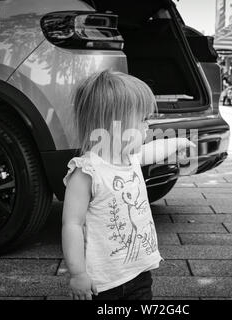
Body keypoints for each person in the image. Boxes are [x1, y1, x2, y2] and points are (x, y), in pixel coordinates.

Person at [61, 70, 195, 300]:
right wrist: (78, 273)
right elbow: (72, 224)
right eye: (142, 120)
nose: (147, 125)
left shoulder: (128, 157)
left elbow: (152, 151)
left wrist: (177, 142)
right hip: (104, 283)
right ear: (114, 125)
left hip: (139, 271)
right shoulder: (87, 172)